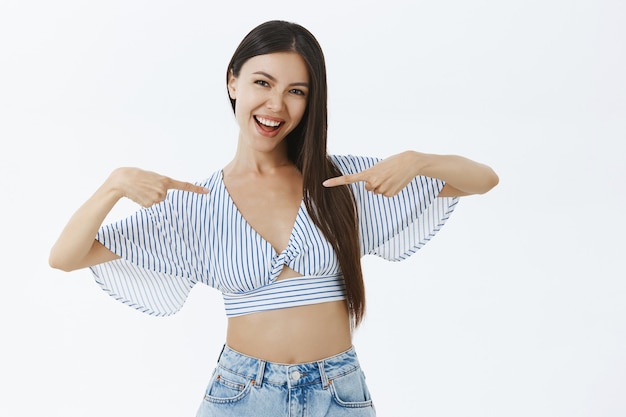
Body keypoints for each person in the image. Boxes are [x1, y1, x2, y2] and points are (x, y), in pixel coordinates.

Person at [49, 20, 498, 417]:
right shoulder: (197, 205)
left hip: (338, 394)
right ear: (233, 83)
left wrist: (418, 161)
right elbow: (66, 256)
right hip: (241, 394)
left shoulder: (341, 184)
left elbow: (484, 179)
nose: (276, 105)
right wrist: (114, 185)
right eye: (263, 83)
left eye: (296, 91)